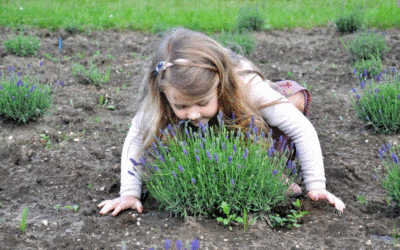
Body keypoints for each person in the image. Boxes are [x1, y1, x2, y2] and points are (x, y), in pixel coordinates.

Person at [98, 28, 346, 216]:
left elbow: (302, 130)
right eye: (182, 105)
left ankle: (268, 170)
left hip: (248, 125)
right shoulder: (162, 96)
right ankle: (252, 170)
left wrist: (317, 186)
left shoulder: (247, 87)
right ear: (163, 92)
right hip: (209, 142)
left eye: (201, 102)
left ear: (220, 83)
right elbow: (135, 140)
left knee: (289, 104)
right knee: (169, 133)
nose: (193, 113)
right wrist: (129, 193)